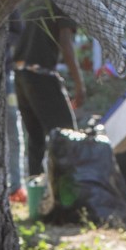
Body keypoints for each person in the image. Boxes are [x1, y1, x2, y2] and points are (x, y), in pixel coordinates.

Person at [11, 9, 83, 176]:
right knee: (67, 135)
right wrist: (80, 84)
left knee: (36, 139)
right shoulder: (63, 5)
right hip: (41, 76)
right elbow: (66, 43)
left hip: (20, 75)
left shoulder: (35, 2)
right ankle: (69, 188)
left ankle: (36, 187)